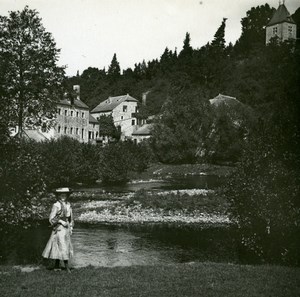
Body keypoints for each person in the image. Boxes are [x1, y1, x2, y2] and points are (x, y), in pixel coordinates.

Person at [42, 187, 74, 273]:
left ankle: (57, 266)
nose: (63, 196)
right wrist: (60, 221)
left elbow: (71, 217)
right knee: (61, 246)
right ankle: (66, 267)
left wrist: (71, 227)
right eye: (61, 195)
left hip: (66, 228)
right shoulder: (56, 205)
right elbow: (51, 218)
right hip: (59, 228)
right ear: (59, 196)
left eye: (65, 195)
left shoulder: (68, 205)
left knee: (64, 246)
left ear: (67, 196)